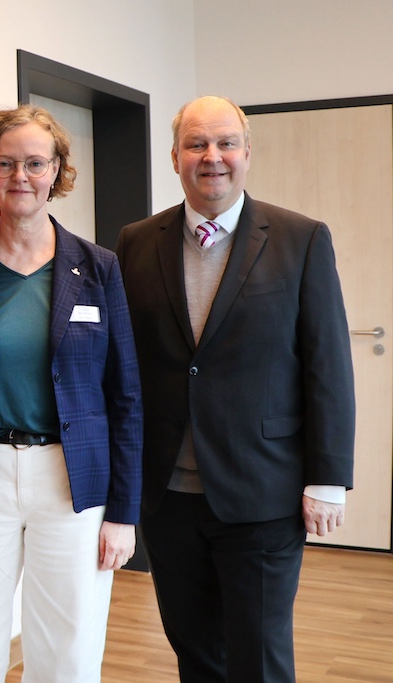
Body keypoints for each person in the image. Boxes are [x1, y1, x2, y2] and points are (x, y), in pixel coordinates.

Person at [115, 95, 355, 683]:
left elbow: (328, 366)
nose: (212, 157)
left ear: (247, 153)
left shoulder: (301, 239)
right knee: (195, 655)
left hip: (263, 493)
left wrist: (328, 480)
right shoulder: (136, 242)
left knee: (261, 661)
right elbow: (123, 367)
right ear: (174, 157)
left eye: (225, 143)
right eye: (196, 144)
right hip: (166, 496)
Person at [0, 104, 143, 683]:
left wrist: (124, 512)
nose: (21, 176)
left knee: (67, 649)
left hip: (71, 483)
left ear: (57, 170)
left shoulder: (99, 268)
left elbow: (126, 395)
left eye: (36, 163)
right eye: (5, 162)